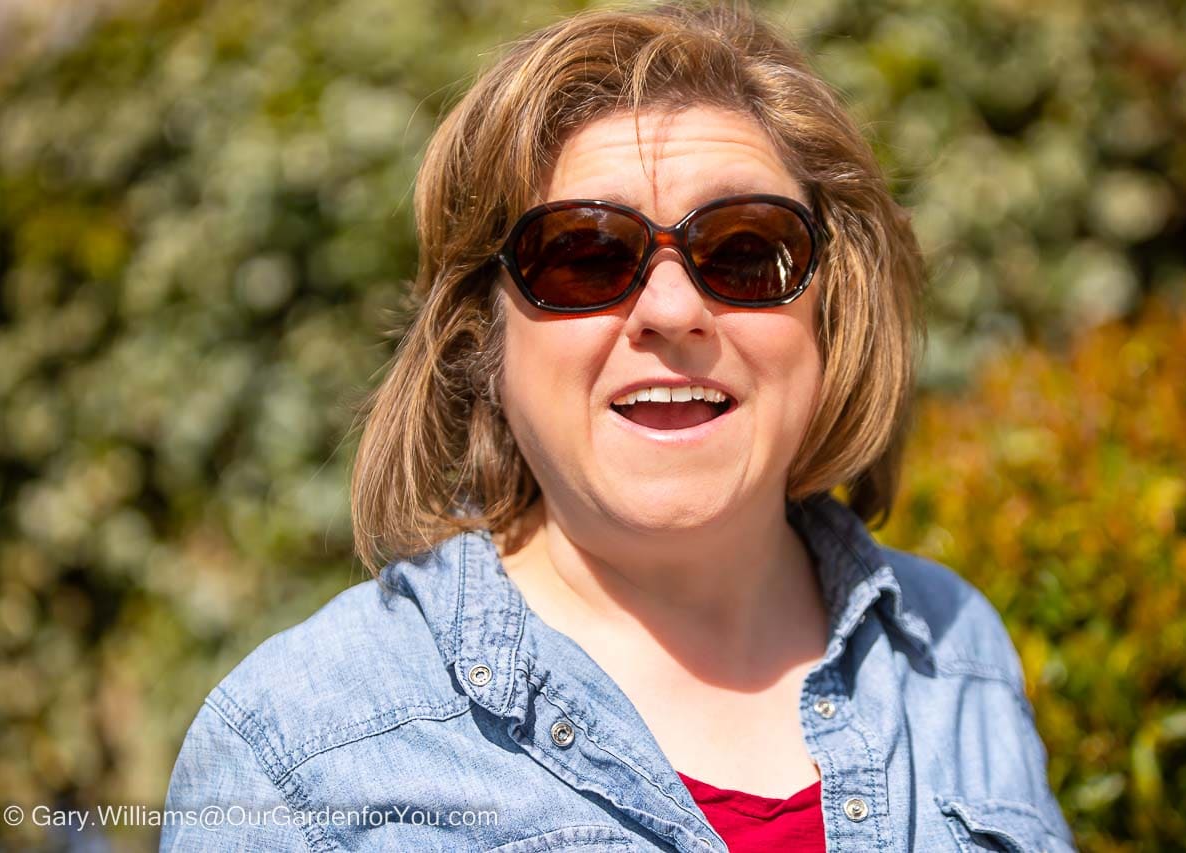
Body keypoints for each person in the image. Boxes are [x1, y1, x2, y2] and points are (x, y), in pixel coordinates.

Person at [161, 3, 1074, 851]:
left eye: (746, 250)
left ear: (832, 314)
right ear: (483, 339)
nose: (672, 309)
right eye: (586, 256)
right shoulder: (294, 760)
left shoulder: (955, 649)